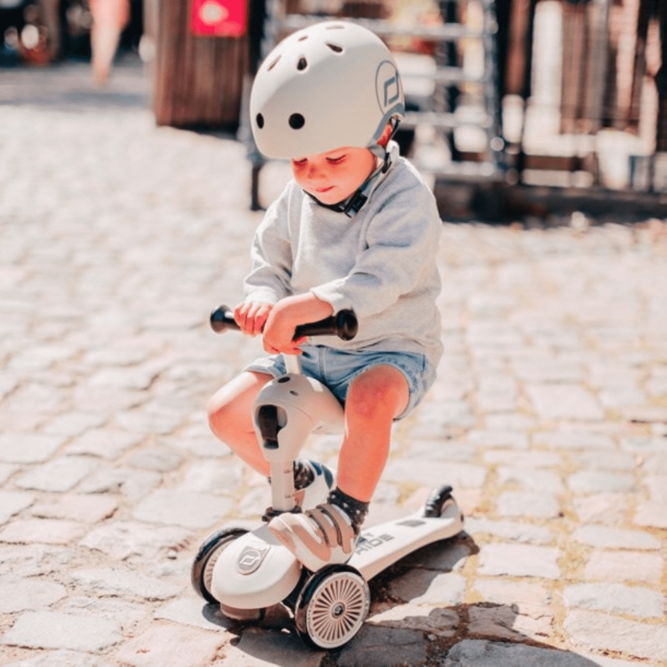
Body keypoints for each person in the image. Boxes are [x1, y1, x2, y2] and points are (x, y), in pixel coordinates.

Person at [207, 20, 443, 573]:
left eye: (334, 159)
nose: (315, 176)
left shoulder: (406, 200)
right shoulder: (298, 196)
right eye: (299, 162)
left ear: (382, 133)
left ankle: (343, 515)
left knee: (370, 399)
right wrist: (263, 299)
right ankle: (307, 485)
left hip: (388, 349)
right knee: (225, 413)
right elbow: (270, 261)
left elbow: (382, 278)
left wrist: (309, 305)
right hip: (306, 353)